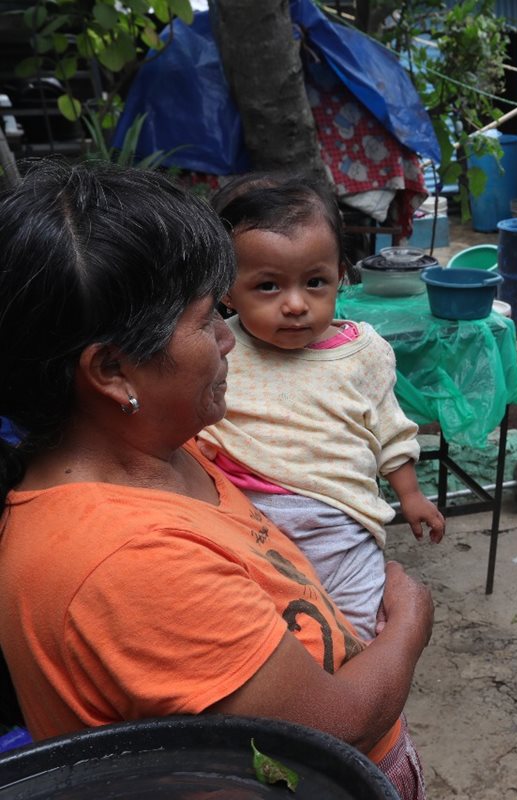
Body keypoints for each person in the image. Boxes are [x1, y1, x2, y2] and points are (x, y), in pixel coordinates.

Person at [0, 160, 432, 798]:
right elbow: (330, 732)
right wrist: (409, 623)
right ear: (114, 372)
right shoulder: (129, 564)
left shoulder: (164, 449)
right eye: (207, 321)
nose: (229, 344)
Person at [197, 173, 445, 640]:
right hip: (249, 523)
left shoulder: (363, 351)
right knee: (275, 639)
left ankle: (364, 708)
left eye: (314, 282)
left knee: (359, 635)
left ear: (340, 276)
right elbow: (198, 421)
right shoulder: (220, 348)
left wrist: (411, 496)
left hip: (342, 524)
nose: (295, 305)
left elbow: (390, 429)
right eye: (268, 286)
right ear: (228, 290)